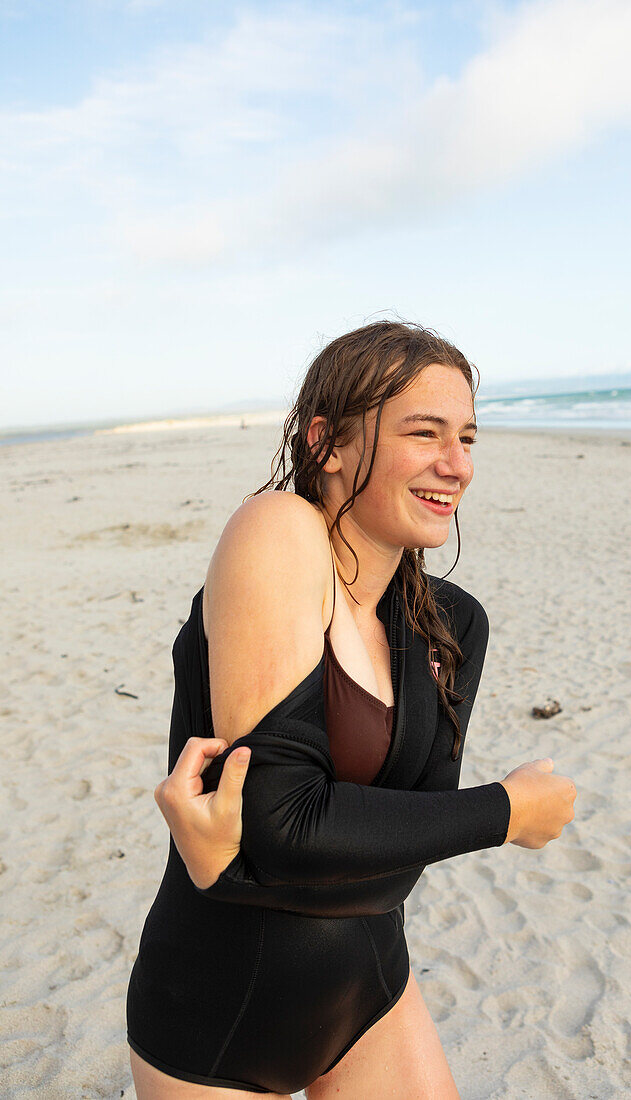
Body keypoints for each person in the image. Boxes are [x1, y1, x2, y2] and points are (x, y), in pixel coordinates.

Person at [126, 320, 576, 1099]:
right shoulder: (277, 531)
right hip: (218, 1017)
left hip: (373, 996)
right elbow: (296, 827)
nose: (456, 465)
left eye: (467, 437)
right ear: (327, 443)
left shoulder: (450, 621)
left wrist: (240, 867)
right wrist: (506, 812)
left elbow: (394, 851)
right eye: (424, 433)